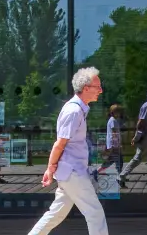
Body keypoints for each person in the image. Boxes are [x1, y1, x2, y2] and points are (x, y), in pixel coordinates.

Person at [25, 67, 108, 235]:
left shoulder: (78, 109)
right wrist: (49, 168)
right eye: (97, 87)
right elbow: (59, 144)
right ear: (86, 88)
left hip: (70, 171)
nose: (101, 90)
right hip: (73, 172)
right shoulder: (74, 111)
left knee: (56, 214)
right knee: (95, 214)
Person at [121, 90, 147, 178]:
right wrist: (136, 137)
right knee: (137, 158)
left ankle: (122, 176)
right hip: (146, 138)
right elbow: (141, 123)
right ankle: (122, 176)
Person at [102, 104, 124, 174]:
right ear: (113, 112)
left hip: (112, 145)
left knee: (110, 161)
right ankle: (120, 176)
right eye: (118, 112)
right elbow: (114, 133)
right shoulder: (113, 121)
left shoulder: (112, 120)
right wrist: (118, 145)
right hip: (114, 145)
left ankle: (96, 172)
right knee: (119, 161)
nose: (119, 113)